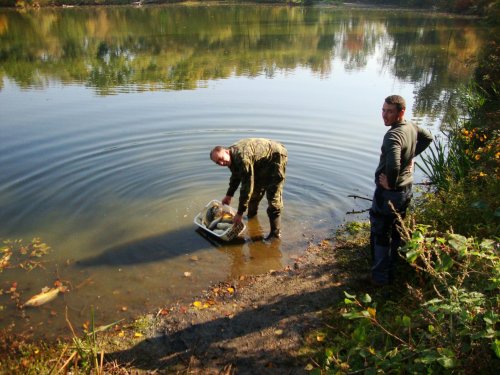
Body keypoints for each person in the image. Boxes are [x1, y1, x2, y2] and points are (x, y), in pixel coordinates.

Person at [370, 95, 433, 286]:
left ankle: (380, 280)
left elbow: (394, 163)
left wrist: (391, 182)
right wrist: (411, 157)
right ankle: (391, 270)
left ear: (401, 112)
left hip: (389, 194)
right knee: (397, 229)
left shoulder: (393, 135)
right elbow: (428, 137)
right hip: (405, 190)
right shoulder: (411, 127)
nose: (384, 115)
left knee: (381, 233)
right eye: (383, 110)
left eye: (389, 111)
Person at [210, 138, 288, 240]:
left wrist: (239, 213)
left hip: (276, 156)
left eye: (220, 158)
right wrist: (229, 195)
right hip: (260, 162)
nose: (221, 163)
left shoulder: (242, 158)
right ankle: (252, 217)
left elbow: (247, 187)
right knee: (255, 193)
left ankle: (275, 234)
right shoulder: (230, 159)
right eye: (217, 162)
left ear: (226, 151)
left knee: (273, 198)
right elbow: (236, 176)